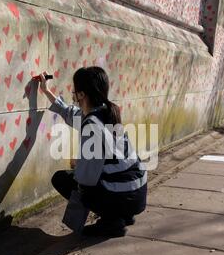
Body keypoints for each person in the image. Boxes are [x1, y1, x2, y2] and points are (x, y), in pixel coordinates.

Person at [36, 67, 147, 237]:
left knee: (63, 180)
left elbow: (86, 178)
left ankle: (112, 222)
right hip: (137, 193)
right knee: (98, 177)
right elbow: (68, 112)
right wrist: (45, 90)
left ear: (81, 94)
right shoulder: (106, 113)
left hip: (124, 197)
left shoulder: (91, 126)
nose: (73, 95)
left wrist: (77, 164)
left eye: (75, 91)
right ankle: (123, 215)